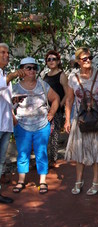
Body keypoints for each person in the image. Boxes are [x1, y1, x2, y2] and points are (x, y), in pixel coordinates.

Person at [64, 47, 98, 196]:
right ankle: (79, 181)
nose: (88, 60)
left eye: (90, 57)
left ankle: (96, 180)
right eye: (84, 58)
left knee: (97, 150)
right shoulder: (72, 77)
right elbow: (69, 100)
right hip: (81, 119)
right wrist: (67, 120)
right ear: (78, 61)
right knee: (79, 151)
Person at [12, 57, 60, 194]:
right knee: (22, 154)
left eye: (34, 68)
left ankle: (42, 181)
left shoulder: (43, 85)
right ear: (22, 70)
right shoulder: (15, 87)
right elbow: (6, 104)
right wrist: (13, 118)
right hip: (22, 126)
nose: (32, 70)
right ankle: (21, 181)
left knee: (41, 153)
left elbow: (56, 98)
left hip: (41, 126)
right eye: (28, 68)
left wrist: (51, 113)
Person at [0, 44, 26, 203]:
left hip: (5, 124)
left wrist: (15, 101)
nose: (6, 55)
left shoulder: (4, 76)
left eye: (8, 52)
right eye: (2, 52)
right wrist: (13, 75)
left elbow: (5, 101)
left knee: (1, 161)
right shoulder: (6, 77)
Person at [43, 50, 68, 167]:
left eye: (54, 59)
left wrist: (61, 105)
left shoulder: (62, 75)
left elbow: (68, 93)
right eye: (49, 59)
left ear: (58, 61)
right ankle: (44, 159)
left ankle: (53, 159)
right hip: (45, 109)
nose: (51, 61)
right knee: (44, 134)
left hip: (57, 109)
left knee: (54, 134)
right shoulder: (45, 76)